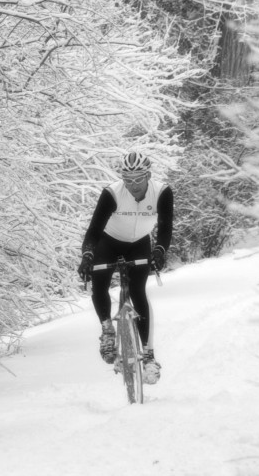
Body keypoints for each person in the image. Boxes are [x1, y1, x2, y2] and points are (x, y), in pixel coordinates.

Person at [76, 151, 173, 384]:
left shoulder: (161, 192)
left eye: (139, 179)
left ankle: (149, 356)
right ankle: (108, 330)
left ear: (148, 175)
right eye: (128, 180)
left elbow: (166, 227)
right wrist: (88, 255)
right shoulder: (112, 193)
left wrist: (159, 251)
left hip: (139, 243)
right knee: (99, 283)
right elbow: (94, 229)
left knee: (138, 292)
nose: (133, 185)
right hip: (108, 242)